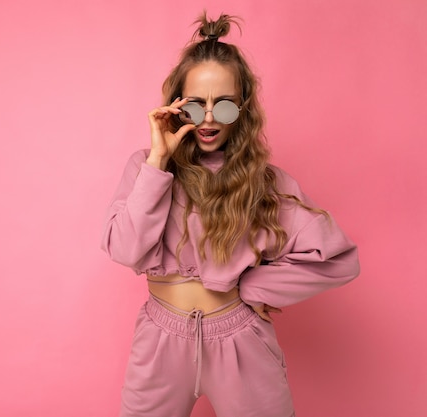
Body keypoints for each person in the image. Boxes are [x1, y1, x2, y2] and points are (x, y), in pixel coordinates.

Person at [100, 11, 360, 417]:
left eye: (223, 107)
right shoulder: (145, 167)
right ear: (174, 106)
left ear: (242, 109)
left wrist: (256, 287)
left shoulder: (266, 182)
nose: (207, 119)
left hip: (241, 339)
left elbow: (339, 259)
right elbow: (126, 250)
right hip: (159, 338)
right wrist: (158, 161)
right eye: (194, 106)